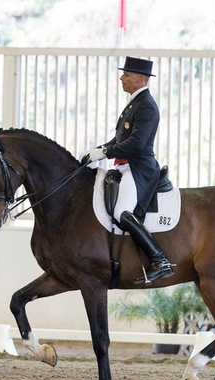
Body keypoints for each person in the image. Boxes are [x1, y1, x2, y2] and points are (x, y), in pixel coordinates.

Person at [81, 56, 174, 284]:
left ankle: (159, 259)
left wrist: (105, 152)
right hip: (125, 167)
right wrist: (101, 148)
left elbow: (136, 144)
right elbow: (120, 137)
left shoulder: (147, 106)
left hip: (139, 169)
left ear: (140, 79)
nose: (122, 78)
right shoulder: (134, 103)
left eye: (127, 75)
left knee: (121, 212)